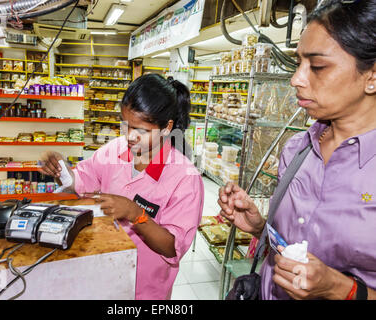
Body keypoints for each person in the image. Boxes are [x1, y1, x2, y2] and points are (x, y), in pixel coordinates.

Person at [218, 0, 376, 300]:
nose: (296, 79)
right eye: (298, 63)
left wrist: (341, 288)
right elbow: (295, 248)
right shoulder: (297, 149)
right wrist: (260, 227)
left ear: (372, 76)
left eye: (317, 66)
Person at [39, 74, 204, 300]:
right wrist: (61, 169)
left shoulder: (184, 178)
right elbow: (81, 180)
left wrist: (135, 213)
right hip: (102, 274)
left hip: (144, 288)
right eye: (125, 125)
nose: (130, 137)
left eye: (141, 130)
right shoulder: (114, 150)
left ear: (167, 128)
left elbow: (171, 247)